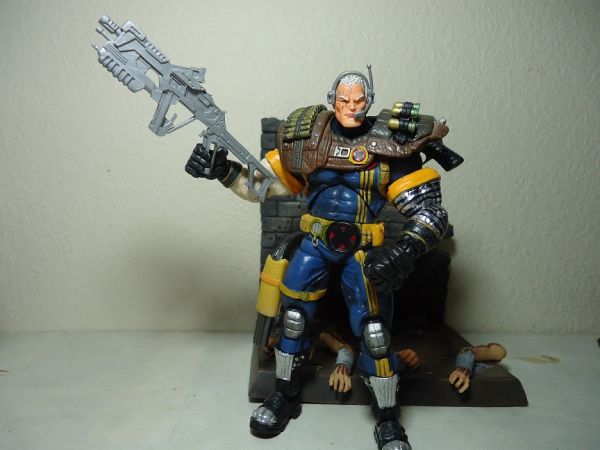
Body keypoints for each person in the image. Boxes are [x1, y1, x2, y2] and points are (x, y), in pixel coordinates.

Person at [185, 67, 457, 450]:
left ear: (370, 101)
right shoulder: (308, 137)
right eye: (344, 100)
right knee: (293, 319)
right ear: (332, 100)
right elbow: (261, 186)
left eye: (359, 100)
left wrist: (407, 250)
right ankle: (283, 396)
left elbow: (430, 213)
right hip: (315, 243)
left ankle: (387, 417)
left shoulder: (390, 145)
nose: (352, 107)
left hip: (361, 248)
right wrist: (224, 171)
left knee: (375, 333)